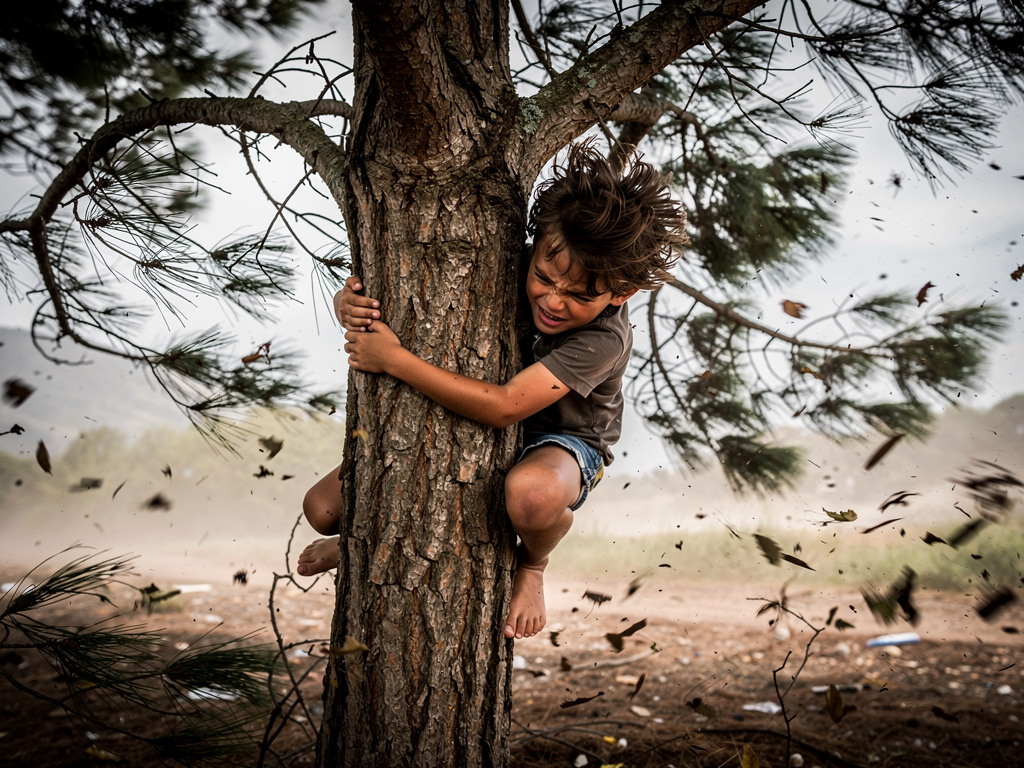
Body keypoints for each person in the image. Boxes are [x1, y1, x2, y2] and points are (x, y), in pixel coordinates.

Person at [297, 142, 688, 640]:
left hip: (563, 441)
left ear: (622, 293)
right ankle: (362, 544)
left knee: (531, 495)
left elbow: (504, 407)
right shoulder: (510, 260)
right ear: (537, 247)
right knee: (321, 510)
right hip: (489, 415)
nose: (553, 301)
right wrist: (347, 303)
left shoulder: (604, 338)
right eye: (544, 278)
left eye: (578, 296)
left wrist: (394, 359)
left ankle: (534, 563)